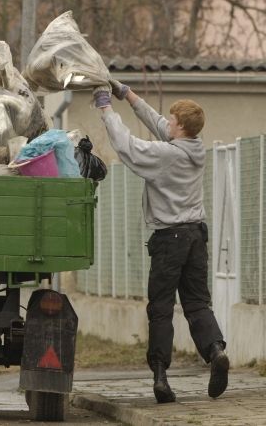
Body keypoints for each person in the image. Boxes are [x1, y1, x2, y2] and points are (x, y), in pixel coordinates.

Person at [92, 82, 229, 403]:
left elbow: (127, 146)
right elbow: (156, 122)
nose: (167, 123)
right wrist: (126, 94)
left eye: (172, 121)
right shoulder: (194, 147)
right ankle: (216, 350)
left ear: (180, 127)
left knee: (161, 309)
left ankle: (160, 377)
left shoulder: (167, 155)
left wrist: (105, 108)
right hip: (197, 235)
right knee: (197, 303)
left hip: (170, 240)